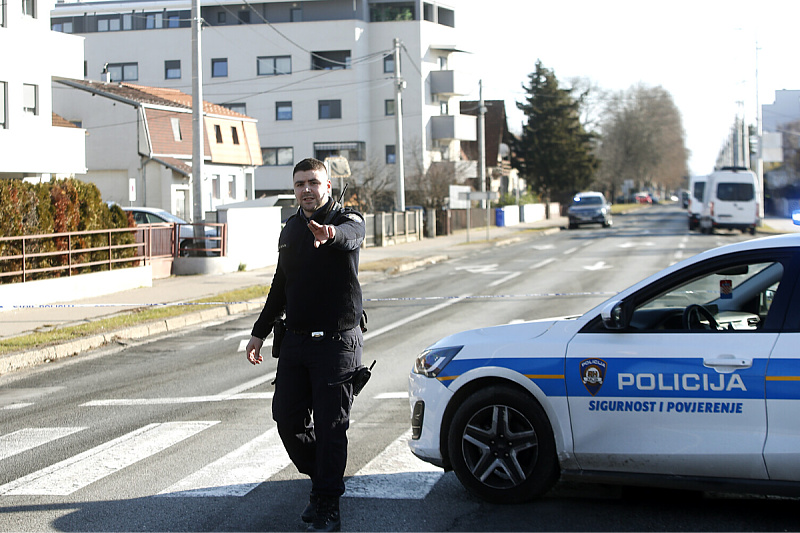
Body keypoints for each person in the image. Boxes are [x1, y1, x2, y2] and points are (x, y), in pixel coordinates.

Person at [245, 157, 364, 532]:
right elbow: (281, 284)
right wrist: (259, 332)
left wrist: (330, 236)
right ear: (293, 189)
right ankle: (325, 481)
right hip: (295, 342)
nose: (307, 190)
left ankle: (328, 502)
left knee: (331, 426)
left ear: (327, 186)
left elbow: (352, 236)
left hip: (336, 344)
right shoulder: (291, 228)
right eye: (300, 184)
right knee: (287, 420)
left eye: (313, 182)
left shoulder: (349, 219)